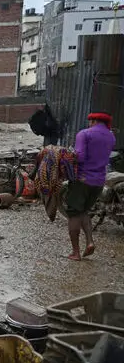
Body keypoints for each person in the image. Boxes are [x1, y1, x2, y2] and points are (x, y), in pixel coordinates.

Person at [65, 112, 116, 261]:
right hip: (99, 181)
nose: (89, 124)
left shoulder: (84, 134)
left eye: (90, 121)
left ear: (93, 121)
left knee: (74, 213)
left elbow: (79, 157)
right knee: (84, 211)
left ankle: (75, 252)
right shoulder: (111, 136)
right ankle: (90, 242)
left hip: (82, 180)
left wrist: (68, 154)